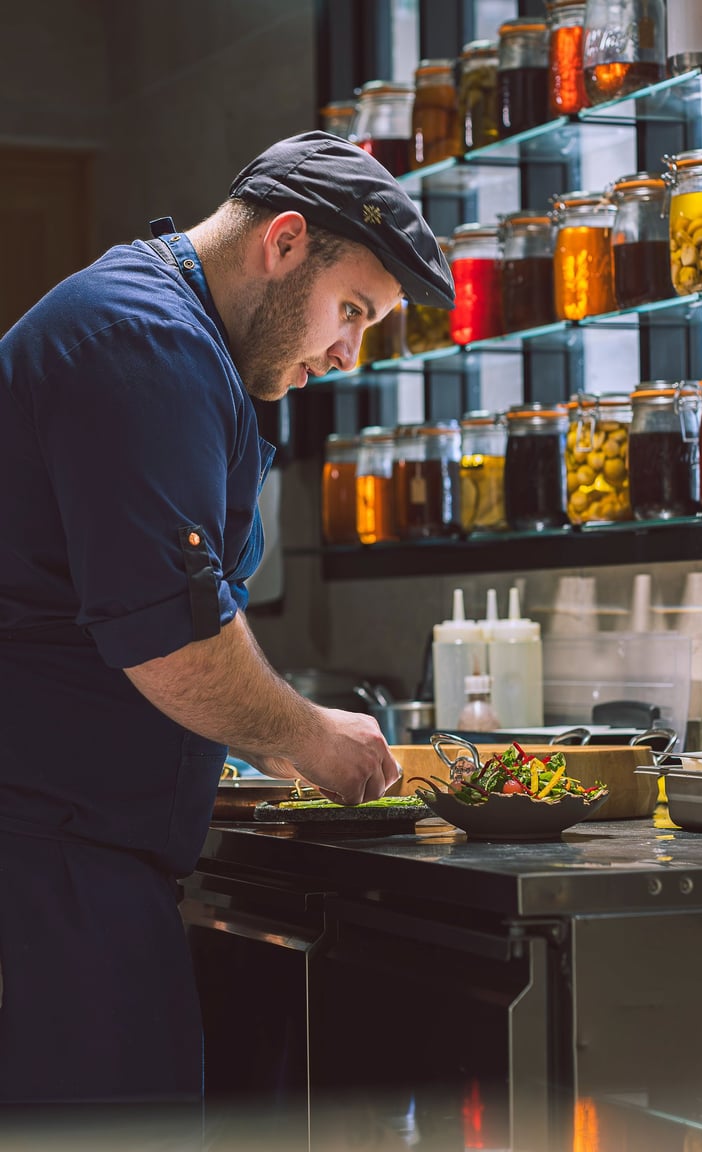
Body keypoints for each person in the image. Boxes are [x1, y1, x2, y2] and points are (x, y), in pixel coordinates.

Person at [0, 130, 454, 1111]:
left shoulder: (183, 340)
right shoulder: (140, 340)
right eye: (353, 311)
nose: (349, 352)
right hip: (43, 859)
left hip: (79, 852)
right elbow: (169, 637)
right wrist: (309, 738)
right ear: (283, 243)